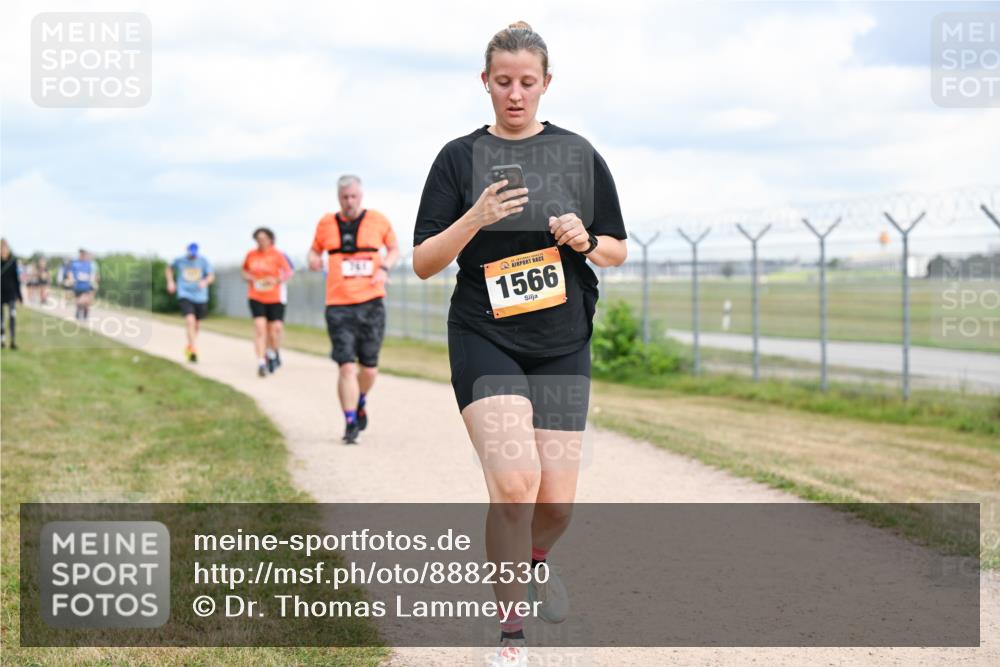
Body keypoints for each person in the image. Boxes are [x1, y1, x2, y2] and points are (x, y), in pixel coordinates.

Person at [412, 22, 627, 666]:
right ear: (485, 82)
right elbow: (423, 261)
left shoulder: (578, 154)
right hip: (484, 334)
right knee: (513, 483)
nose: (514, 93)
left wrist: (584, 241)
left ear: (546, 85)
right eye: (502, 81)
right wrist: (474, 216)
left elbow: (616, 246)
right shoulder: (458, 158)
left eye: (526, 82)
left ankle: (534, 561)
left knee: (555, 502)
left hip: (560, 340)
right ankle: (509, 635)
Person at [307, 175, 400, 444]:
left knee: (368, 369)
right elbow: (313, 252)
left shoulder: (378, 220)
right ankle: (349, 422)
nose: (349, 202)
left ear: (361, 196)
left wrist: (384, 268)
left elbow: (393, 249)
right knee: (346, 367)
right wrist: (313, 260)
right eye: (345, 197)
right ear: (339, 198)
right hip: (338, 305)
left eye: (354, 197)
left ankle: (360, 400)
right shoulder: (326, 223)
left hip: (371, 302)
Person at [242, 227, 294, 377]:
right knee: (260, 328)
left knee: (275, 330)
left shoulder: (278, 255)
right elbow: (244, 271)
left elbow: (289, 272)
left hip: (274, 297)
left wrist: (277, 279)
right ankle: (261, 362)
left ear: (270, 239)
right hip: (256, 296)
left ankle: (273, 352)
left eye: (263, 239)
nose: (261, 242)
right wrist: (248, 277)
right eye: (258, 239)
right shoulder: (251, 255)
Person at [165, 243, 214, 363]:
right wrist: (170, 282)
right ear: (187, 252)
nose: (193, 257)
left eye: (194, 255)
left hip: (200, 296)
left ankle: (190, 344)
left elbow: (211, 276)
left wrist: (205, 281)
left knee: (196, 324)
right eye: (191, 255)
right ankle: (193, 348)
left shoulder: (203, 261)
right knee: (190, 320)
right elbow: (169, 268)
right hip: (185, 294)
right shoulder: (180, 260)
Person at [1, 239, 23, 350]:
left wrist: (19, 296)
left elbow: (16, 280)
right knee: (1, 319)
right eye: (1, 249)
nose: (3, 251)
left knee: (12, 316)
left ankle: (13, 341)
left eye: (5, 248)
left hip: (11, 293)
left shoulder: (12, 262)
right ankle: (2, 339)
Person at [65, 249, 99, 321]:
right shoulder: (75, 263)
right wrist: (71, 280)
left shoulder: (89, 264)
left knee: (84, 301)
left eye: (84, 254)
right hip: (77, 286)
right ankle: (79, 312)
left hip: (86, 286)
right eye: (81, 254)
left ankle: (85, 315)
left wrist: (93, 282)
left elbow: (93, 275)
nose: (83, 256)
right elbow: (70, 273)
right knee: (78, 301)